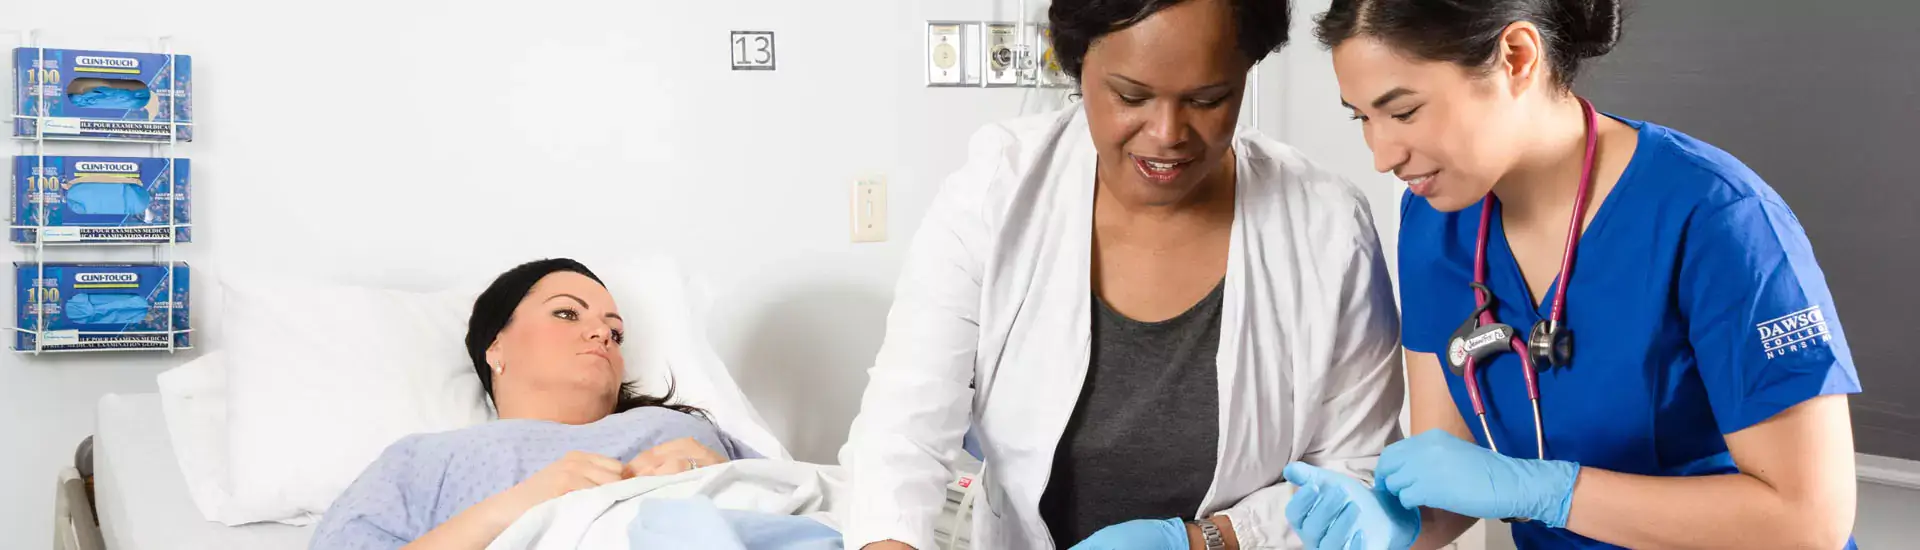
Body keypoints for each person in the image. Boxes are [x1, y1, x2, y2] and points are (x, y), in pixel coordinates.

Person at [1282, 0, 1863, 548]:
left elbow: (1807, 520)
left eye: (1403, 111)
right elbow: (1457, 477)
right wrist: (1397, 525)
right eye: (1363, 118)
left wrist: (1545, 490)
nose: (1382, 155)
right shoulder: (1436, 223)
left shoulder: (1717, 218)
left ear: (1517, 57)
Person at [837, 0, 1408, 548]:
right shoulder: (999, 188)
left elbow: (1356, 472)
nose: (1167, 133)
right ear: (1079, 65)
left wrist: (1203, 541)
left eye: (1208, 99)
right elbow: (902, 426)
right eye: (1130, 95)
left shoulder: (1327, 225)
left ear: (1247, 72)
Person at [310, 258, 761, 549]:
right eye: (567, 313)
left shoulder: (680, 428)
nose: (603, 333)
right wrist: (519, 504)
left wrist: (727, 475)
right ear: (496, 348)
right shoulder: (423, 460)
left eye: (616, 332)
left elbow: (812, 497)